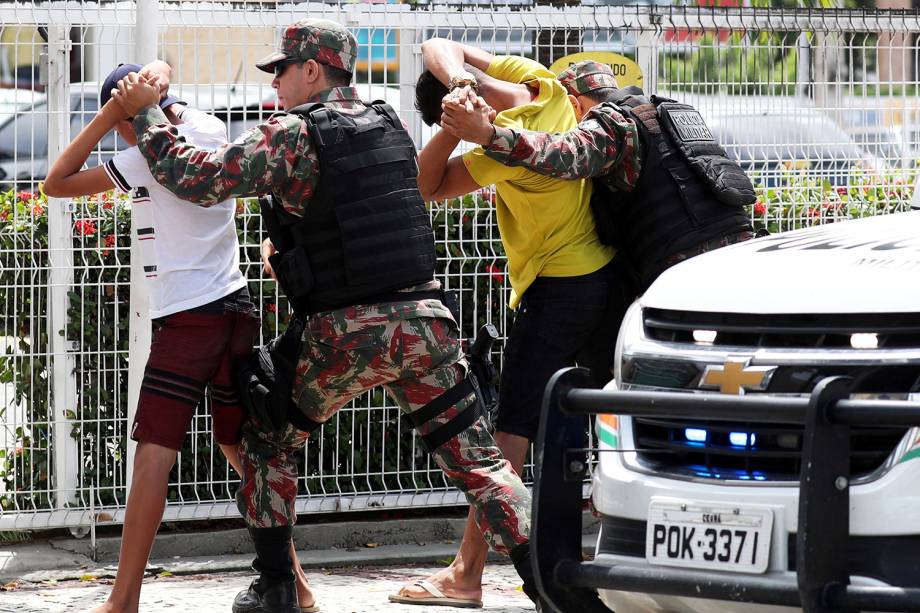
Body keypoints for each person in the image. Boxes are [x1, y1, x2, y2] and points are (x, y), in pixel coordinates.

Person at [110, 19, 543, 613]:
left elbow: (198, 178)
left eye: (281, 71)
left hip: (343, 332)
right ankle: (554, 586)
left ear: (312, 69)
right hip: (424, 322)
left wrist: (146, 115)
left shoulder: (295, 132)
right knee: (483, 467)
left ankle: (278, 588)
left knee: (264, 441)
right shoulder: (387, 122)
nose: (276, 85)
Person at [42, 62, 312, 613]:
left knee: (152, 456)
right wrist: (144, 100)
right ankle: (296, 584)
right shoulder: (210, 130)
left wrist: (110, 117)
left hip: (190, 318)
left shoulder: (143, 156)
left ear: (126, 113)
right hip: (236, 307)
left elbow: (56, 182)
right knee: (242, 450)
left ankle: (123, 600)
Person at [392, 42, 635, 608]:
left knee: (511, 434)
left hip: (557, 289)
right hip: (601, 277)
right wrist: (463, 84)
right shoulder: (544, 85)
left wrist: (455, 128)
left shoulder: (504, 149)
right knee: (583, 420)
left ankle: (466, 572)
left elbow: (425, 185)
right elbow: (439, 45)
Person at [440, 60, 756, 293]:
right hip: (741, 249)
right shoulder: (670, 111)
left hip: (687, 265)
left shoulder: (612, 123)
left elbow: (561, 153)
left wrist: (490, 134)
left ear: (574, 105)